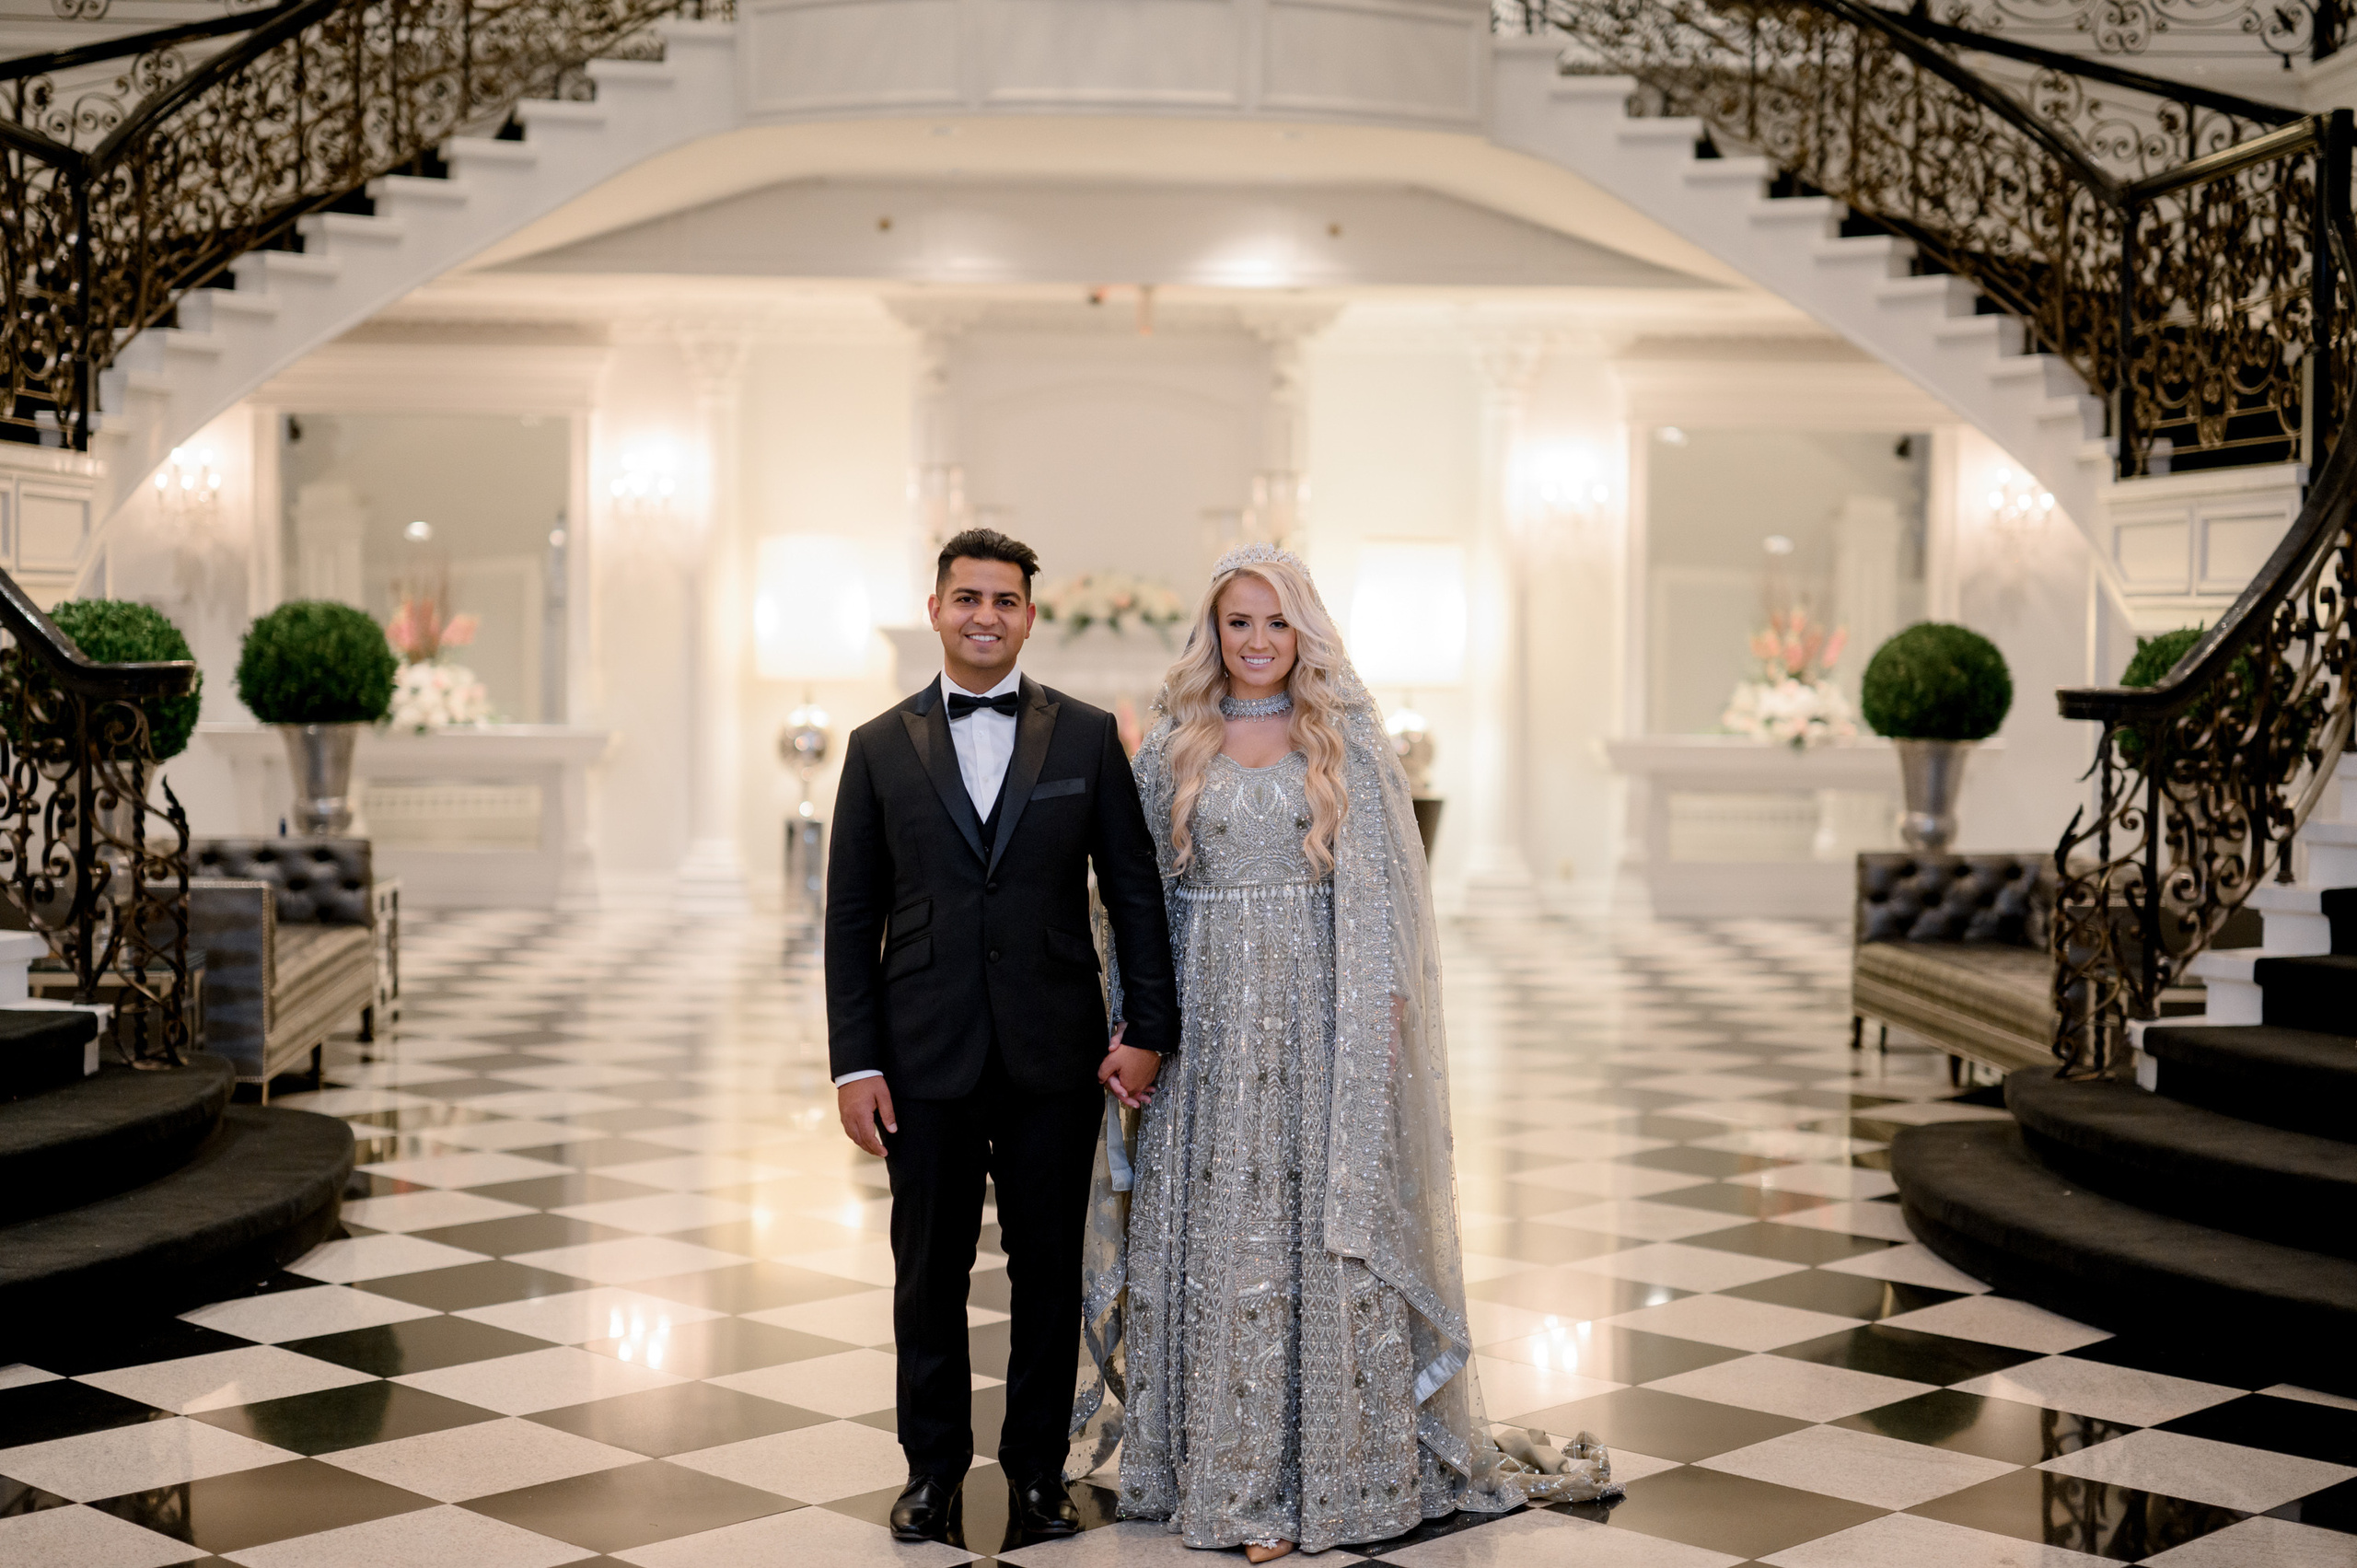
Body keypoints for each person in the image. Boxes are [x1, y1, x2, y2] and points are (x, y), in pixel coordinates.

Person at [1076, 543, 1612, 1560]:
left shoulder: (1345, 741)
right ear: (1214, 631)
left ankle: (1324, 1470)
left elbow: (1382, 899)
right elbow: (1133, 899)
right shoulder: (1173, 742)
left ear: (1304, 630)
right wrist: (1133, 1020)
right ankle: (1213, 1468)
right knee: (1217, 1223)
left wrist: (1385, 1010)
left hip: (1325, 1022)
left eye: (1277, 621)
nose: (1259, 641)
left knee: (1318, 1226)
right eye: (1240, 622)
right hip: (1205, 1024)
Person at [826, 528, 1179, 1545]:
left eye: (1005, 600)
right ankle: (930, 1471)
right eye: (967, 597)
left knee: (1045, 1273)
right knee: (925, 1271)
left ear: (1031, 614)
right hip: (921, 1054)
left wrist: (1147, 1027)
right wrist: (856, 1062)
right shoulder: (876, 746)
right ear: (935, 608)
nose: (985, 615)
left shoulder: (1081, 738)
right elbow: (851, 920)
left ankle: (1035, 1471)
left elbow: (1134, 890)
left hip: (1051, 1051)